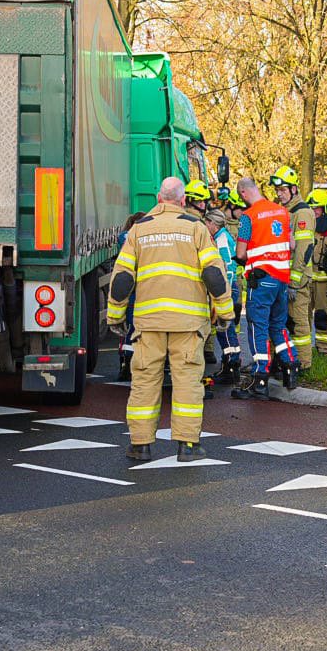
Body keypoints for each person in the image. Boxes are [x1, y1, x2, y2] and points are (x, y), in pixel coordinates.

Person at [106, 177, 233, 462]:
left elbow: (123, 278)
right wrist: (225, 312)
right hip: (187, 323)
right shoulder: (196, 228)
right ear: (183, 199)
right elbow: (214, 274)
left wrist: (115, 315)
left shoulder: (139, 230)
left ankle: (140, 445)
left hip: (149, 322)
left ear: (158, 198)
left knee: (145, 381)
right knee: (187, 380)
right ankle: (187, 446)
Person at [232, 176, 296, 399]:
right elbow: (291, 244)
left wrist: (247, 258)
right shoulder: (281, 211)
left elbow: (240, 253)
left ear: (243, 193)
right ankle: (290, 367)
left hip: (261, 279)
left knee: (257, 326)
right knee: (278, 325)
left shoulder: (248, 217)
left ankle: (260, 379)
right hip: (282, 278)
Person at [272, 164, 318, 368]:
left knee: (299, 323)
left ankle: (304, 364)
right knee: (285, 322)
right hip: (285, 276)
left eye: (283, 190)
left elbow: (305, 249)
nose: (279, 194)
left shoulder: (303, 213)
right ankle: (287, 361)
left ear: (294, 189)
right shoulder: (285, 211)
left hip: (297, 279)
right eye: (278, 190)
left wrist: (295, 280)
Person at [205, 201, 242, 385]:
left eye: (207, 223)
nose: (205, 227)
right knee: (226, 329)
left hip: (227, 288)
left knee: (224, 329)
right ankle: (232, 364)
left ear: (213, 223)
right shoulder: (223, 236)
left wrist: (221, 290)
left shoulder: (221, 239)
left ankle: (230, 366)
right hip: (230, 287)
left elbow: (226, 267)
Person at [306, 187, 327, 356]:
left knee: (322, 317)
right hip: (306, 279)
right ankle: (304, 352)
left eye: (316, 208)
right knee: (302, 317)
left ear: (324, 208)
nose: (313, 212)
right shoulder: (305, 226)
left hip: (325, 281)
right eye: (310, 208)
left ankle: (324, 351)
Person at [114, 211, 144, 382]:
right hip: (141, 287)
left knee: (129, 326)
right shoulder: (136, 237)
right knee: (136, 326)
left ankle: (125, 363)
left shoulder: (124, 236)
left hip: (127, 286)